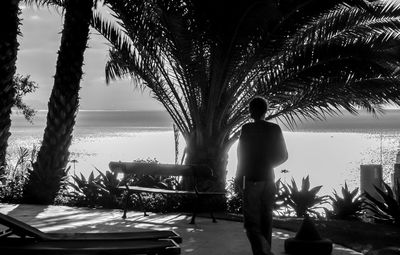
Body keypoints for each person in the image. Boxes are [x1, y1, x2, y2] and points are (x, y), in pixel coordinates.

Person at [236, 96, 288, 255]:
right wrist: (268, 164)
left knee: (251, 224)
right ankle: (266, 251)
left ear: (252, 111)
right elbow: (284, 156)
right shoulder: (275, 129)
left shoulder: (247, 129)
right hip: (269, 180)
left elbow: (241, 156)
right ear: (265, 111)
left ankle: (264, 253)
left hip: (252, 181)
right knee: (266, 222)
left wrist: (239, 177)